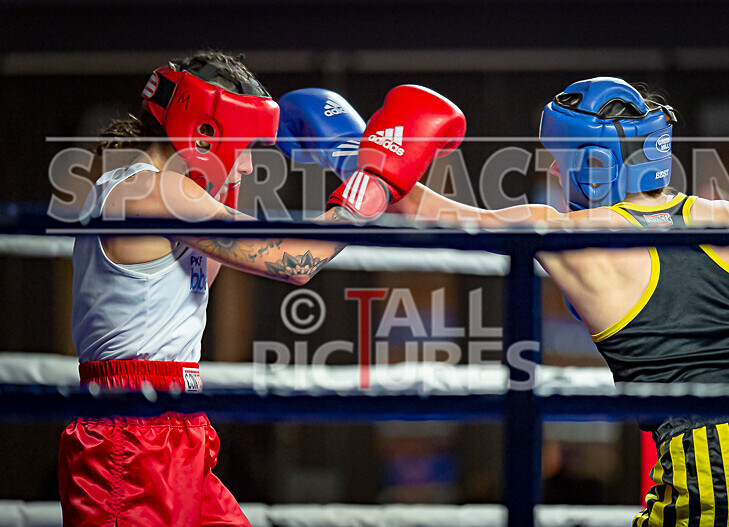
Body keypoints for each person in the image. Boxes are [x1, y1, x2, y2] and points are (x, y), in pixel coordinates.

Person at [60, 50, 465, 526]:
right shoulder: (156, 192)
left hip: (173, 423)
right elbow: (293, 260)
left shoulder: (151, 189)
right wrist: (374, 181)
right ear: (206, 134)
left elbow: (210, 267)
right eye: (247, 144)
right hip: (130, 436)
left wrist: (223, 185)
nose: (250, 165)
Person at [385, 77, 729, 527]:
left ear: (593, 164)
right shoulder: (728, 218)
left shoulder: (572, 237)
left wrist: (362, 154)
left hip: (711, 470)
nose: (557, 175)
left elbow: (424, 209)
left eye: (561, 162)